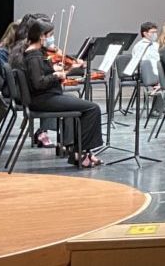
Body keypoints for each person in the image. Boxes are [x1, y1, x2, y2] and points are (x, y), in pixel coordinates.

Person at [10, 18, 104, 167]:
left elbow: (39, 75)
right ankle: (81, 154)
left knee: (80, 105)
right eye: (50, 35)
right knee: (92, 108)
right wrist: (56, 75)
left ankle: (80, 153)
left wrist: (54, 70)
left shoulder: (35, 53)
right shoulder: (34, 55)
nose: (52, 38)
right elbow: (38, 83)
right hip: (43, 99)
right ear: (42, 36)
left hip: (46, 97)